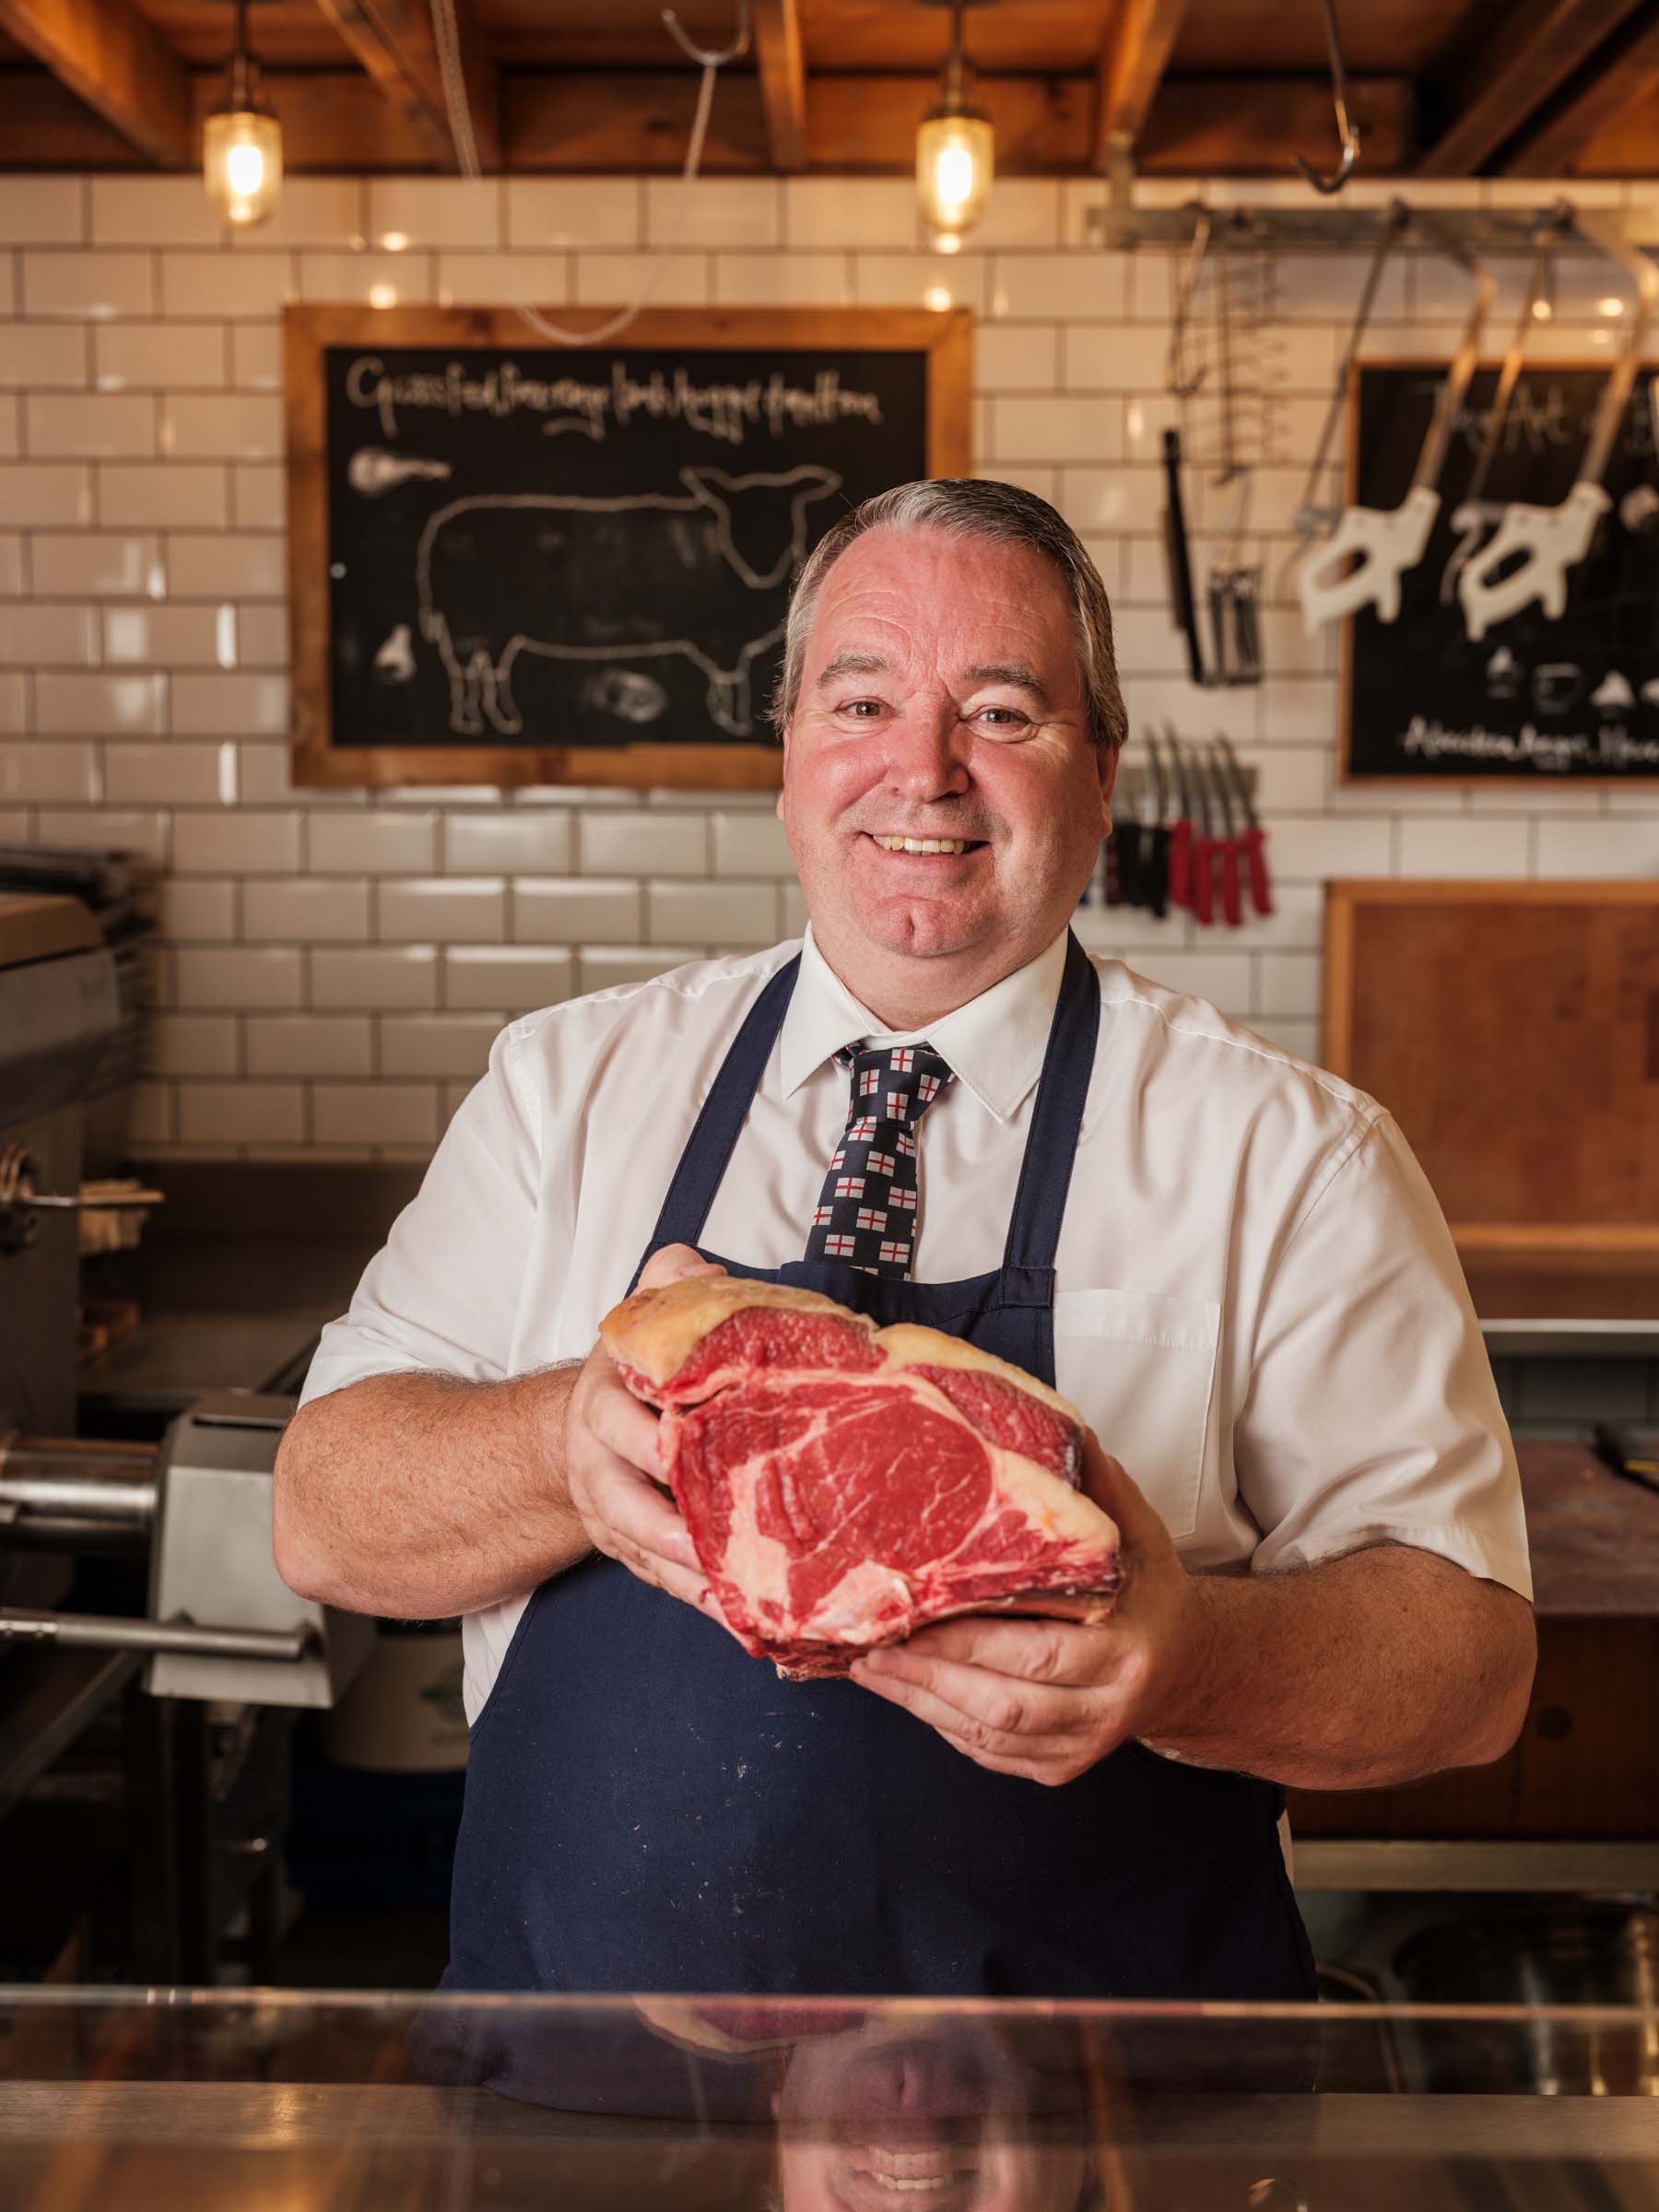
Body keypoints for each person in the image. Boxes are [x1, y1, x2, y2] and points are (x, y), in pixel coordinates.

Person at [275, 478, 1535, 2003]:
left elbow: (1470, 1669)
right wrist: (563, 1446)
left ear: (1103, 766)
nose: (921, 771)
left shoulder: (1293, 1156)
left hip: (1104, 2111)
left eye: (1002, 713)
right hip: (602, 2105)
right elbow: (321, 1515)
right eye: (861, 700)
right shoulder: (567, 1090)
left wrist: (1190, 1659)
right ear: (792, 753)